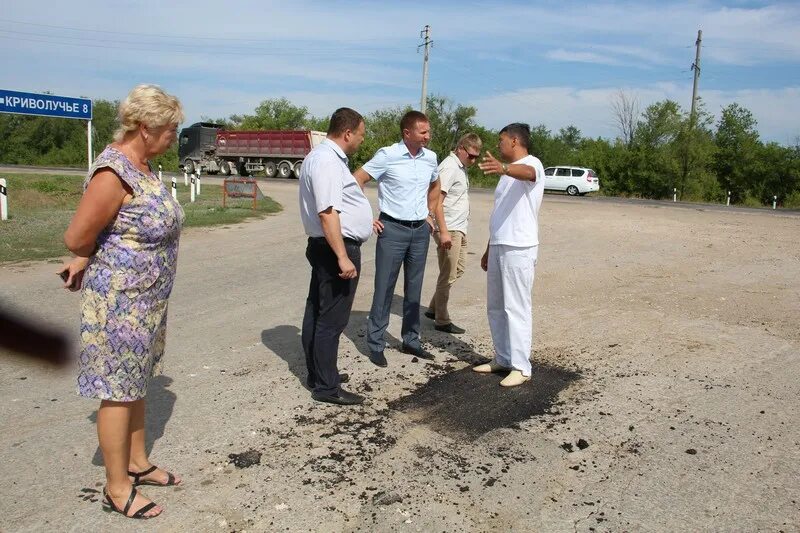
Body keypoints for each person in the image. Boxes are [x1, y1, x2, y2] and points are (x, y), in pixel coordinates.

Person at [59, 84, 184, 519]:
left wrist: (85, 255)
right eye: (170, 129)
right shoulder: (113, 172)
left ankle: (136, 461)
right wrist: (82, 253)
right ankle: (116, 487)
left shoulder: (144, 166)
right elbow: (77, 235)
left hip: (145, 302)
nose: (174, 137)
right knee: (116, 390)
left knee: (136, 382)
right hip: (119, 303)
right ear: (146, 128)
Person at [354, 111, 451, 367]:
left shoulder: (430, 158)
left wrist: (430, 213)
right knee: (384, 287)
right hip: (392, 230)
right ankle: (376, 343)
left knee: (414, 288)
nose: (428, 137)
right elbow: (357, 180)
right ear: (407, 133)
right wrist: (365, 216)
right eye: (423, 132)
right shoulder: (388, 155)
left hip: (420, 231)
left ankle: (411, 340)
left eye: (429, 132)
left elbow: (435, 186)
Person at [299, 107, 372, 405]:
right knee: (332, 319)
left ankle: (320, 373)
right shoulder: (328, 161)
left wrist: (365, 220)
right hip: (335, 247)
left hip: (324, 244)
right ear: (347, 133)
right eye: (361, 135)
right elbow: (328, 212)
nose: (361, 141)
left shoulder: (318, 158)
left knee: (317, 310)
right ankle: (326, 387)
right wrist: (342, 256)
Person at [473, 123, 545, 387]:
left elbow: (528, 173)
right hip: (500, 245)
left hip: (519, 247)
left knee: (516, 306)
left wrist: (504, 167)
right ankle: (502, 357)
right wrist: (488, 248)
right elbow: (501, 213)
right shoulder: (506, 177)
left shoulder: (532, 164)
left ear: (514, 141)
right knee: (496, 305)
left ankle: (521, 366)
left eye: (501, 139)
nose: (498, 145)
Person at [424, 133, 483, 334]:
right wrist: (443, 231)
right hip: (449, 229)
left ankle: (433, 308)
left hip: (459, 227)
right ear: (460, 149)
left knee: (456, 270)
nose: (473, 160)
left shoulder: (460, 167)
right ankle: (442, 320)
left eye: (477, 157)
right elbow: (436, 200)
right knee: (448, 274)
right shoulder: (449, 167)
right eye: (471, 156)